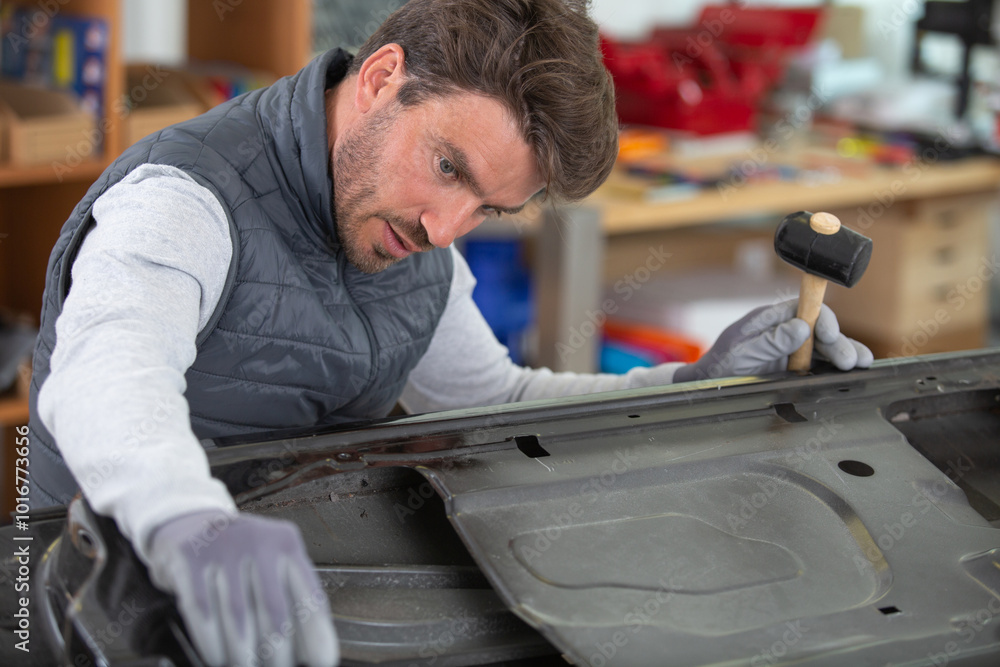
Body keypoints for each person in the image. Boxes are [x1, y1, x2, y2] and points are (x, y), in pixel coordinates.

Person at [28, 0, 872, 665]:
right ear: (382, 77)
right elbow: (105, 370)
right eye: (448, 168)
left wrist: (693, 388)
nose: (447, 227)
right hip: (95, 589)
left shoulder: (418, 235)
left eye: (490, 208)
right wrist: (188, 521)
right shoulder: (186, 200)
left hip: (309, 575)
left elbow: (493, 403)